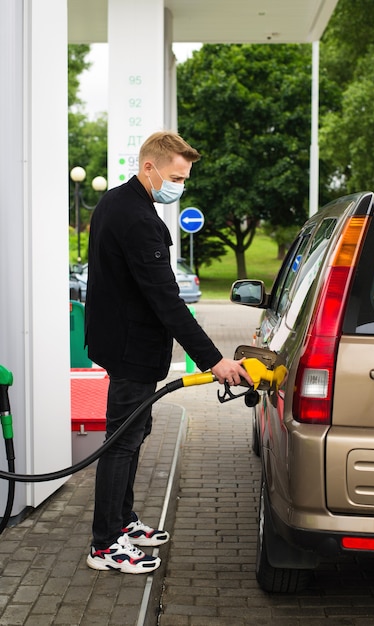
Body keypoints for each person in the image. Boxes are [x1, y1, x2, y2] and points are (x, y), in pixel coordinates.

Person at [84, 130, 253, 574]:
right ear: (149, 168)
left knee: (132, 436)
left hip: (119, 342)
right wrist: (214, 361)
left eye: (185, 178)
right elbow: (167, 301)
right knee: (120, 444)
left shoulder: (116, 202)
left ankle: (122, 523)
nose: (180, 185)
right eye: (176, 176)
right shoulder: (138, 219)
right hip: (131, 348)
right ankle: (105, 545)